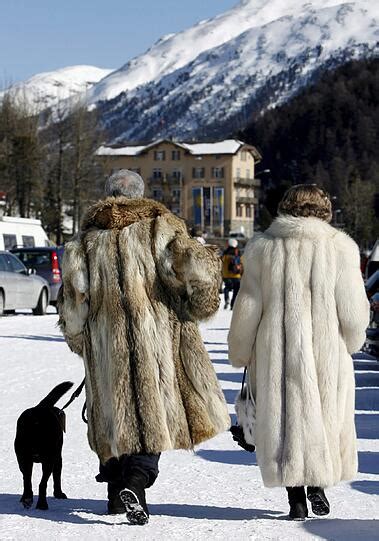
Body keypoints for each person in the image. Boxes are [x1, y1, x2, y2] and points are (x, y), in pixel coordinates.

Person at [58, 169, 230, 525]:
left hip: (107, 347)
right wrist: (200, 303)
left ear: (108, 196)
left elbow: (74, 301)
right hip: (156, 342)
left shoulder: (85, 243)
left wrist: (79, 339)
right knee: (152, 415)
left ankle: (116, 492)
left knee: (113, 416)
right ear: (141, 195)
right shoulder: (162, 229)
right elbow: (197, 267)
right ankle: (136, 483)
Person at [228, 184, 369, 520]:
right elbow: (353, 312)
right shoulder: (340, 248)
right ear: (324, 210)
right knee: (324, 415)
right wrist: (351, 341)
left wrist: (241, 349)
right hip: (326, 350)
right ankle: (318, 486)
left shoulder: (263, 248)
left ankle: (296, 500)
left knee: (283, 419)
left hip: (276, 349)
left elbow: (247, 305)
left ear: (286, 207)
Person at [222, 238, 242, 310]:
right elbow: (241, 263)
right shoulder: (238, 252)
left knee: (227, 287)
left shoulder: (225, 253)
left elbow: (222, 263)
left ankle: (227, 299)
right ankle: (233, 305)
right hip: (236, 275)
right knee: (236, 290)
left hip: (226, 275)